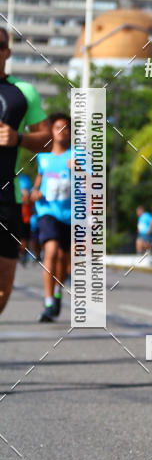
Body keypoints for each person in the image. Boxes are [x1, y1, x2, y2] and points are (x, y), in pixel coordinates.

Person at [0, 26, 50, 317]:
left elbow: (48, 140)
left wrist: (18, 138)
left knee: (3, 286)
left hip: (8, 200)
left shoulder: (23, 92)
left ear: (7, 52)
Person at [31, 113, 72, 322]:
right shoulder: (43, 156)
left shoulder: (76, 155)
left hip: (69, 215)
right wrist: (35, 192)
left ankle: (57, 292)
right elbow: (39, 180)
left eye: (66, 128)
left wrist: (79, 169)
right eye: (57, 128)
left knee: (63, 259)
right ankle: (48, 302)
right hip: (47, 211)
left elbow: (92, 181)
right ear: (52, 131)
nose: (61, 132)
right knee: (51, 251)